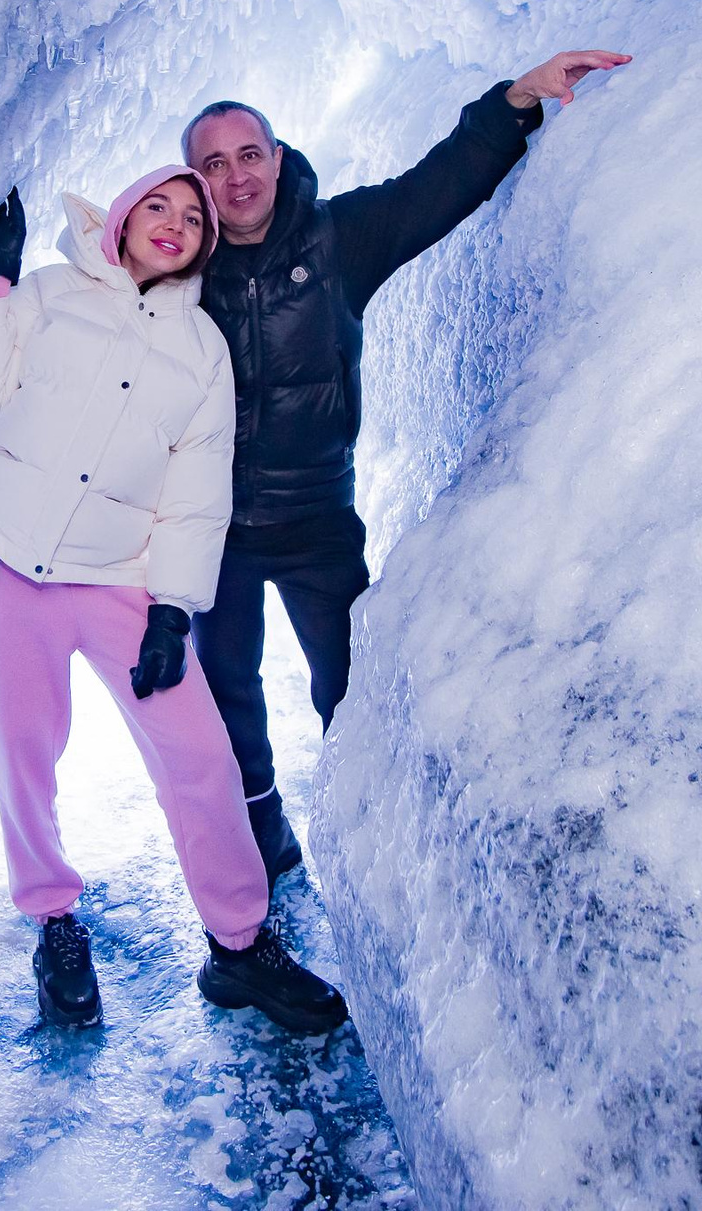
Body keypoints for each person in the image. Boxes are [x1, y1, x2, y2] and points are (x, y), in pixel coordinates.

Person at [181, 47, 634, 877]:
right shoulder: (181, 271)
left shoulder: (339, 237)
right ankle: (263, 837)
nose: (237, 176)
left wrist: (518, 99)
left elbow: (438, 187)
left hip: (320, 520)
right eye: (214, 163)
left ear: (278, 159)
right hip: (216, 532)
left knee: (347, 688)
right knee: (225, 700)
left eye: (250, 154)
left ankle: (364, 838)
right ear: (195, 181)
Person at [0, 166, 351, 1033]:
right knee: (25, 755)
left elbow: (198, 491)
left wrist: (170, 608)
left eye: (193, 217)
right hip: (7, 563)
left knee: (200, 757)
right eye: (158, 205)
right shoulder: (50, 293)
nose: (176, 222)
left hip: (120, 578)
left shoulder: (202, 351)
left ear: (203, 243)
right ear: (119, 221)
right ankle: (53, 924)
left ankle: (240, 945)